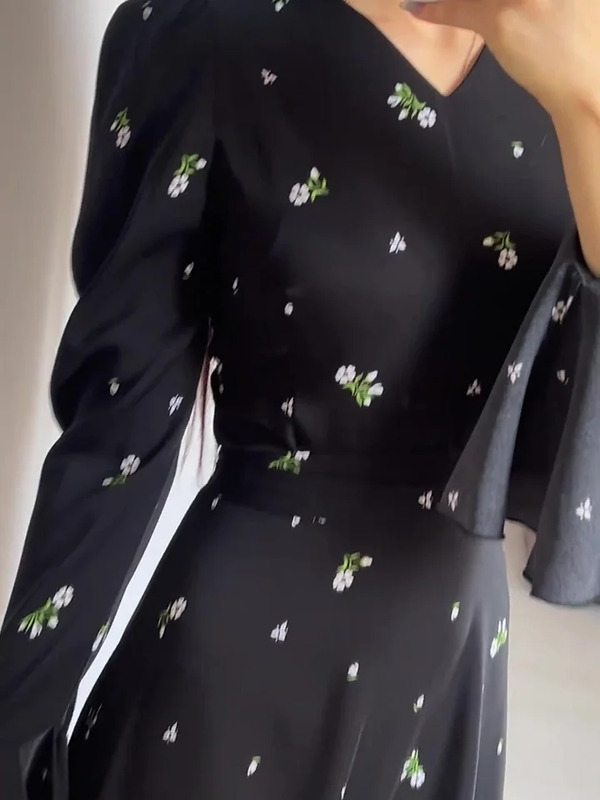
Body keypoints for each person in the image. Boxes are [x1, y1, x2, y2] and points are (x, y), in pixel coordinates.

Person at [1, 0, 600, 797]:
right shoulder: (210, 31)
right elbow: (118, 435)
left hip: (449, 687)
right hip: (235, 689)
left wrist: (585, 103)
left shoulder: (569, 53)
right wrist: (16, 737)